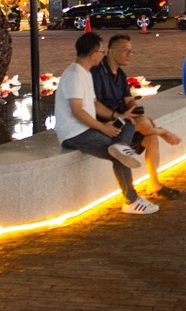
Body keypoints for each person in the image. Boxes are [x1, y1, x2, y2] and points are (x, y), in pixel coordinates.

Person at [54, 32, 158, 215]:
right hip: (74, 133)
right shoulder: (75, 75)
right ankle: (131, 200)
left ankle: (120, 145)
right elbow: (77, 111)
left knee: (128, 124)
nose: (103, 55)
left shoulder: (84, 73)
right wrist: (104, 128)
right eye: (101, 51)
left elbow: (94, 104)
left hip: (86, 128)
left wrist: (117, 116)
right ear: (93, 53)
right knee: (120, 155)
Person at [93, 34, 183, 199]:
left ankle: (154, 183)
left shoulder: (119, 74)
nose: (129, 55)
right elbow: (94, 104)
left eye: (130, 51)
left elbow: (128, 99)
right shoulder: (97, 73)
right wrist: (125, 116)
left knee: (150, 138)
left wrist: (134, 109)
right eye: (125, 51)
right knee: (145, 125)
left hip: (122, 118)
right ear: (111, 51)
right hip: (107, 122)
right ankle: (163, 132)